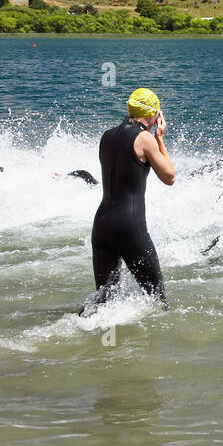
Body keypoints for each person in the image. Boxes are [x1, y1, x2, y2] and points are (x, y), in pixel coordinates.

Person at [85, 87, 175, 313]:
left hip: (102, 226)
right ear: (154, 114)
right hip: (130, 227)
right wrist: (160, 139)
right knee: (158, 301)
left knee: (104, 304)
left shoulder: (106, 136)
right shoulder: (145, 138)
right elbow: (169, 177)